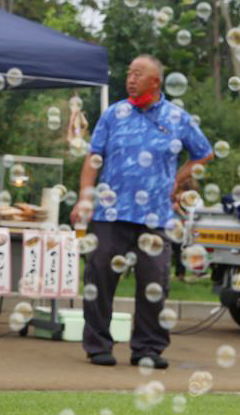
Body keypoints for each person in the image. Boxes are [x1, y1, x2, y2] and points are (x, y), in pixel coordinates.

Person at [71, 55, 213, 369]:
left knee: (154, 283)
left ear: (156, 82)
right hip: (110, 213)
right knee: (100, 279)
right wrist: (84, 197)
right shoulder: (113, 114)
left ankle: (148, 348)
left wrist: (179, 178)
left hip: (157, 216)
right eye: (129, 72)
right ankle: (98, 346)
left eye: (138, 73)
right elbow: (93, 158)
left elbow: (204, 153)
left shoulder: (177, 118)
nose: (131, 78)